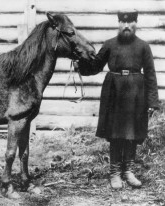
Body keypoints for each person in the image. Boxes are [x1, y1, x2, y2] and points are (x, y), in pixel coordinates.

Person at [74, 9, 159, 189]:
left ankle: (127, 171)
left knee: (132, 133)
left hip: (136, 94)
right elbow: (95, 66)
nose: (126, 26)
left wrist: (152, 102)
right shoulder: (109, 45)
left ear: (136, 24)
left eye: (130, 22)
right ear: (118, 23)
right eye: (123, 22)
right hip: (114, 92)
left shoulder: (143, 46)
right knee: (115, 133)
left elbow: (150, 74)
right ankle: (114, 173)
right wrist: (80, 65)